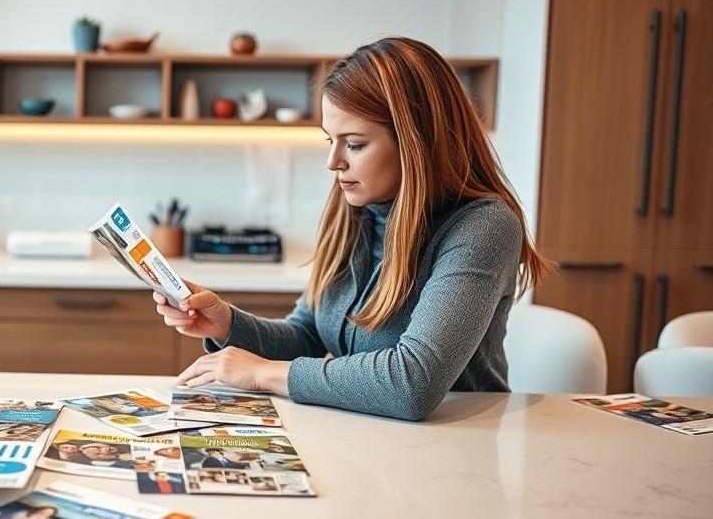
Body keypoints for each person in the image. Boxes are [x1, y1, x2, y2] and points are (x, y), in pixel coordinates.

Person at [154, 36, 551, 422]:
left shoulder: (484, 226)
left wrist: (262, 373)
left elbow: (413, 383)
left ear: (419, 141)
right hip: (369, 442)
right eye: (330, 140)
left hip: (454, 457)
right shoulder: (356, 211)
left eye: (355, 144)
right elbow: (308, 335)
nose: (333, 162)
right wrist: (227, 323)